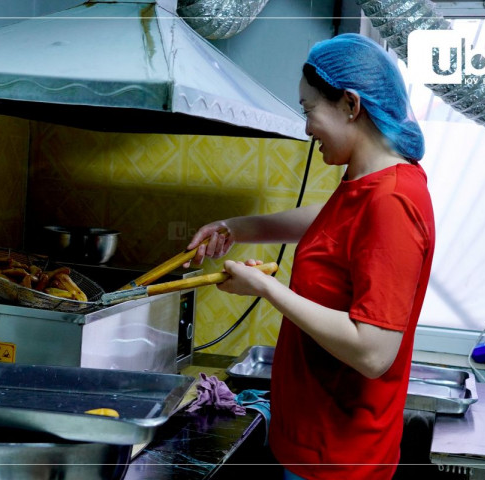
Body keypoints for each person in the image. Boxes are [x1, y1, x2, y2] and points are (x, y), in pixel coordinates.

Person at [185, 33, 435, 480]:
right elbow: (336, 223)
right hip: (312, 444)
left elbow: (373, 352)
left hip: (338, 458)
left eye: (309, 110)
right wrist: (240, 228)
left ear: (350, 105)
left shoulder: (392, 201)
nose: (305, 128)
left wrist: (264, 287)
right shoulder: (369, 184)